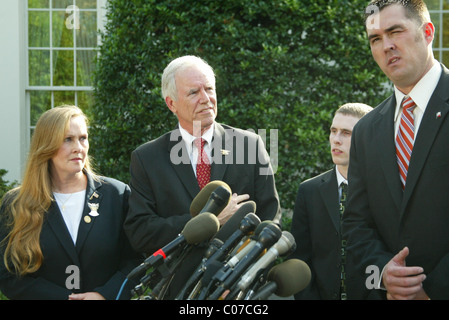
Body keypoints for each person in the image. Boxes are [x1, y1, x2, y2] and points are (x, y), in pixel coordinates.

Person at [124, 55, 281, 299]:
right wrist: (206, 220)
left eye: (209, 89)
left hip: (236, 288)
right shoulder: (147, 158)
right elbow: (140, 231)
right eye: (194, 92)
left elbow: (271, 219)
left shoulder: (249, 145)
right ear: (171, 103)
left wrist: (243, 272)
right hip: (176, 288)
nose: (206, 99)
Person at [343, 0, 449, 300]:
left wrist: (433, 290)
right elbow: (356, 223)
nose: (386, 45)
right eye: (376, 39)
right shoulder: (365, 131)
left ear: (427, 32)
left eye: (395, 31)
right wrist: (383, 274)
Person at [0, 105, 141, 300]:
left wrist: (104, 295)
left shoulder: (116, 194)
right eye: (68, 139)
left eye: (83, 138)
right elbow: (9, 275)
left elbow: (136, 260)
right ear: (46, 145)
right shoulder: (16, 204)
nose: (79, 147)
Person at [290, 103, 372, 300]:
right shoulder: (309, 191)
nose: (336, 139)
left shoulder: (384, 189)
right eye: (333, 131)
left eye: (346, 133)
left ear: (367, 138)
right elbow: (299, 257)